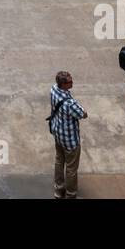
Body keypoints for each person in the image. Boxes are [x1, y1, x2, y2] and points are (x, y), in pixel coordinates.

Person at [48, 71, 87, 199]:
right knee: (71, 169)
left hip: (58, 133)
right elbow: (83, 114)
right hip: (70, 140)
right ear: (63, 84)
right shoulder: (70, 104)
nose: (72, 82)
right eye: (70, 81)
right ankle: (71, 194)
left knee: (59, 161)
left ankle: (58, 190)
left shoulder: (53, 89)